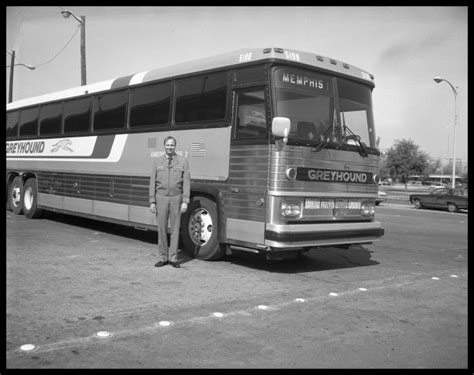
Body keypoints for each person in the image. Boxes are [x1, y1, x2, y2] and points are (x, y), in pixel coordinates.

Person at [149, 136, 190, 268]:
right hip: (160, 198)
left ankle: (173, 258)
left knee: (175, 230)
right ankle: (163, 257)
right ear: (164, 146)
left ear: (175, 146)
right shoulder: (157, 161)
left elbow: (186, 183)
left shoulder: (183, 161)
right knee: (161, 229)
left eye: (172, 145)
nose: (170, 147)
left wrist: (185, 201)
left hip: (176, 199)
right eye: (167, 145)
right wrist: (152, 201)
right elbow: (152, 182)